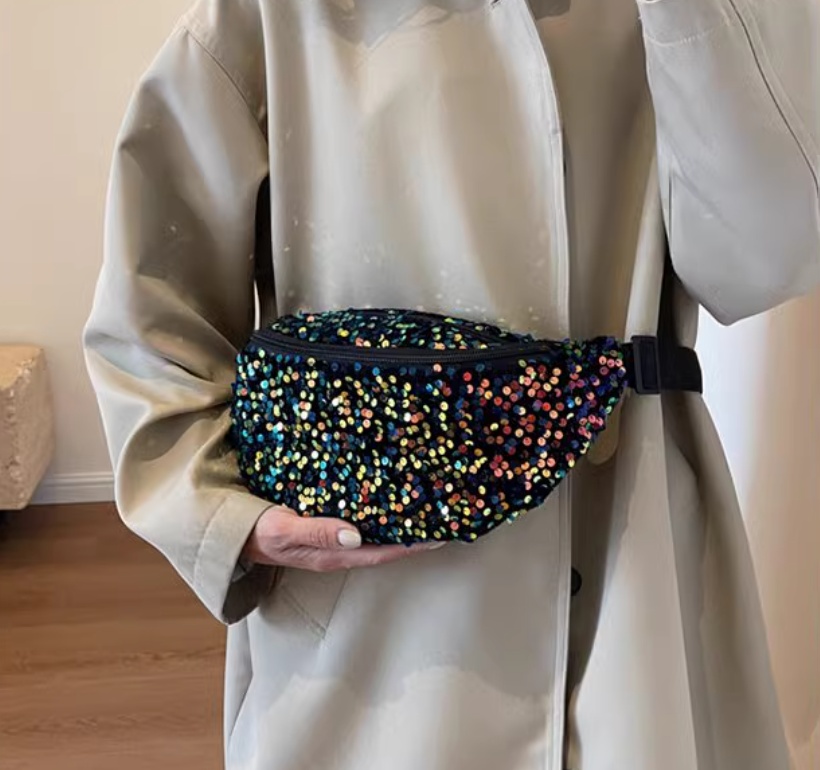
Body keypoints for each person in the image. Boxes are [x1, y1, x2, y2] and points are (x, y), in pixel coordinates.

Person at [81, 1, 819, 768]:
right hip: (376, 618)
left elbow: (763, 263)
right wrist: (226, 517)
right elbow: (151, 317)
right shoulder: (268, 17)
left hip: (631, 570)